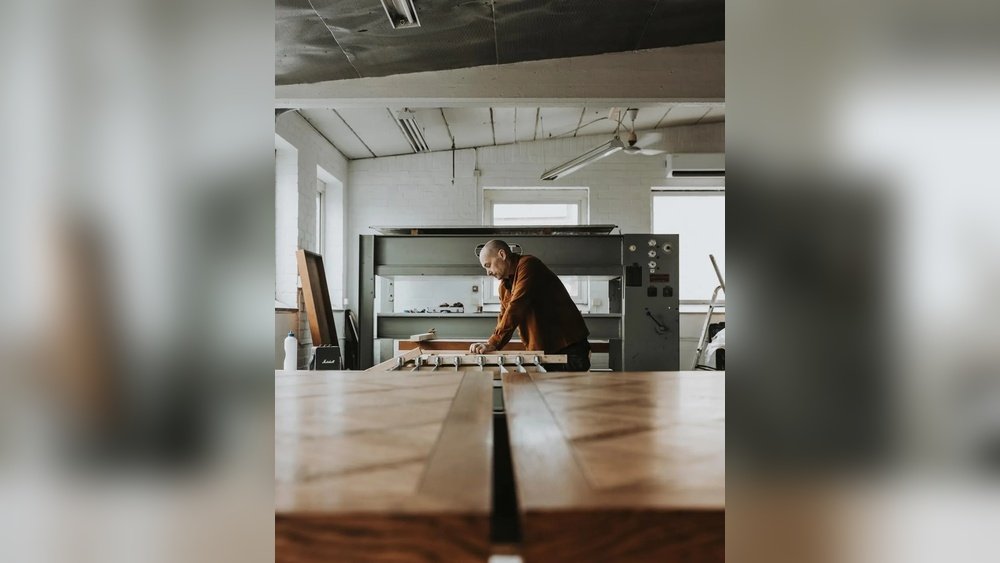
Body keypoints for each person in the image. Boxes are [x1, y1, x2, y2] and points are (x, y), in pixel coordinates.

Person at [469, 239, 591, 371]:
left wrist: (493, 343)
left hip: (568, 349)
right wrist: (491, 344)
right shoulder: (504, 287)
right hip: (544, 352)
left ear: (502, 255)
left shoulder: (528, 265)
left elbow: (516, 308)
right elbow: (504, 316)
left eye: (488, 265)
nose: (488, 272)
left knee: (570, 391)